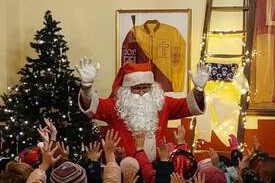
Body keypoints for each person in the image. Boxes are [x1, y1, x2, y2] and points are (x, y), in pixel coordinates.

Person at [76, 57, 209, 161]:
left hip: (156, 168)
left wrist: (198, 91)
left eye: (145, 87)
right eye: (136, 88)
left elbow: (188, 106)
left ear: (152, 87)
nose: (141, 92)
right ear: (126, 90)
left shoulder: (161, 103)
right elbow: (92, 107)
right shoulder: (115, 106)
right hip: (121, 167)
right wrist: (86, 88)